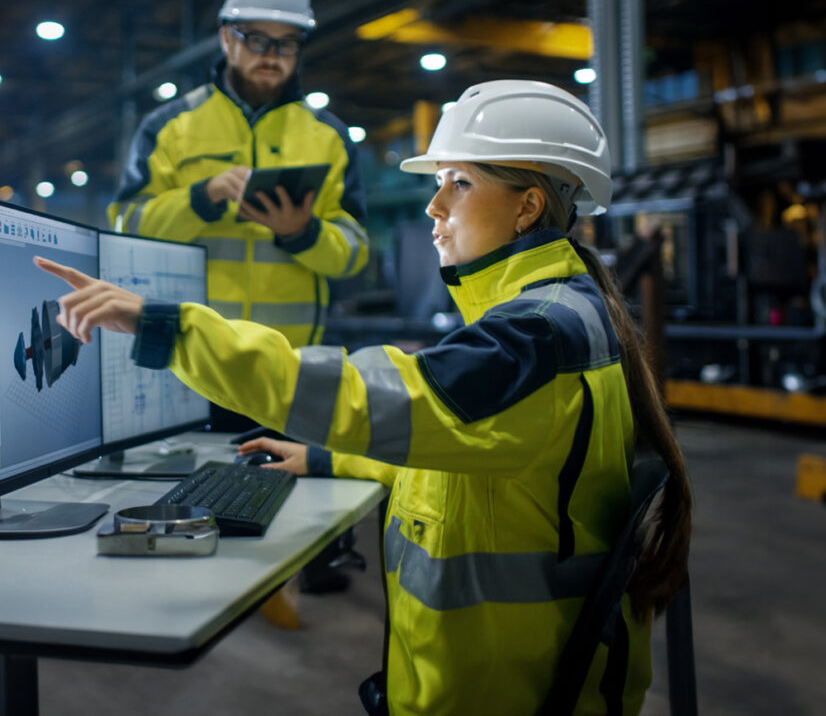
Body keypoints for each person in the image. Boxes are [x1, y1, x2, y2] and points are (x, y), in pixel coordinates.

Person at [39, 79, 692, 716]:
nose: (435, 206)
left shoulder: (534, 336)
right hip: (501, 676)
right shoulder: (556, 309)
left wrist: (168, 326)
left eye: (459, 182)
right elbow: (471, 452)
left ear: (528, 207)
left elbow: (370, 397)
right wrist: (330, 461)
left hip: (495, 691)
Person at [107, 0, 369, 429]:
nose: (272, 55)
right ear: (227, 38)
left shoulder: (329, 137)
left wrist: (302, 233)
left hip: (288, 368)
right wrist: (201, 198)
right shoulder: (169, 126)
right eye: (257, 39)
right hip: (186, 360)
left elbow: (354, 255)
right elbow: (126, 225)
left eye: (286, 43)